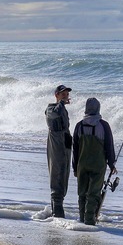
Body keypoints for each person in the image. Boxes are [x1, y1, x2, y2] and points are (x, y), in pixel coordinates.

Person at [71, 97, 117, 226]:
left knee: (82, 193)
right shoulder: (103, 125)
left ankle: (81, 218)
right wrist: (112, 164)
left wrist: (75, 168)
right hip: (98, 165)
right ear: (98, 109)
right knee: (94, 193)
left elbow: (75, 149)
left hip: (82, 165)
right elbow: (109, 146)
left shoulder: (79, 125)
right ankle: (90, 220)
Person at [44, 83, 73, 218]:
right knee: (57, 176)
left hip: (65, 147)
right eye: (63, 94)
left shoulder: (63, 110)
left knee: (64, 176)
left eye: (67, 94)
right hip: (56, 146)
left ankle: (57, 212)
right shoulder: (51, 109)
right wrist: (61, 103)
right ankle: (57, 214)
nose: (66, 97)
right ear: (56, 95)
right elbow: (55, 114)